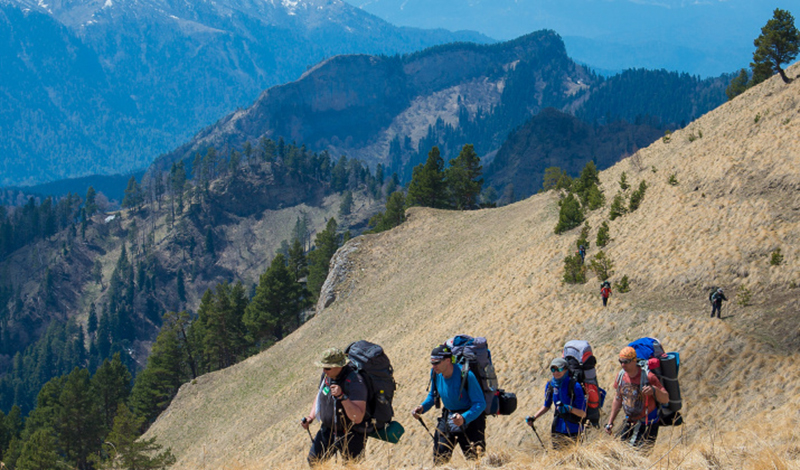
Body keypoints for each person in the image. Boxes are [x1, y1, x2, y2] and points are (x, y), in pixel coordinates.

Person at [411, 345, 487, 465]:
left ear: (447, 360)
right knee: (439, 458)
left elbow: (480, 403)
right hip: (448, 416)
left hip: (471, 421)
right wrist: (422, 408)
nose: (433, 366)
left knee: (475, 461)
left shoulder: (466, 375)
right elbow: (433, 396)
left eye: (436, 363)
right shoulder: (435, 373)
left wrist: (464, 418)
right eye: (432, 363)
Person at [301, 347, 368, 466]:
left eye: (327, 368)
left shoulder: (356, 382)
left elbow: (357, 417)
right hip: (327, 430)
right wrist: (311, 417)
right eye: (323, 367)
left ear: (339, 366)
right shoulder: (327, 377)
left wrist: (342, 397)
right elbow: (320, 395)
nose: (324, 371)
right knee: (314, 462)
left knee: (351, 467)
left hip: (351, 434)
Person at [604, 346, 669, 451]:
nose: (623, 365)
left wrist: (654, 390)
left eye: (626, 362)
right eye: (621, 361)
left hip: (648, 423)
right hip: (630, 421)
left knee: (640, 456)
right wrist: (610, 422)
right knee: (621, 452)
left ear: (634, 360)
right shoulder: (621, 376)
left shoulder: (648, 377)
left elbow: (666, 398)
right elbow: (618, 399)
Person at [525, 357, 586, 450]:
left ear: (566, 369)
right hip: (557, 429)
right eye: (553, 369)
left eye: (559, 369)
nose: (556, 372)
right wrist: (534, 418)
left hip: (574, 429)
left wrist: (569, 409)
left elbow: (583, 414)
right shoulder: (550, 385)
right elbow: (546, 406)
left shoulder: (575, 386)